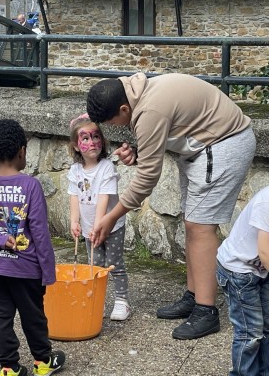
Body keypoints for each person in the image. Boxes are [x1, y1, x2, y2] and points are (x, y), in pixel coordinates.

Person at [86, 72, 256, 340]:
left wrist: (111, 217)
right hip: (204, 147)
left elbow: (148, 178)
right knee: (193, 222)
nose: (114, 128)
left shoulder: (150, 109)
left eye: (112, 122)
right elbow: (161, 137)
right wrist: (139, 153)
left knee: (200, 227)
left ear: (123, 108)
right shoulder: (136, 93)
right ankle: (194, 295)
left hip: (223, 144)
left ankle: (206, 310)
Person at [0, 119, 65, 376]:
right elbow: (40, 234)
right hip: (26, 269)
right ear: (22, 151)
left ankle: (8, 367)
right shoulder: (31, 186)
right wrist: (48, 272)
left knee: (0, 319)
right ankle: (43, 362)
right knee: (34, 317)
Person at [67, 113, 130, 321]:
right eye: (85, 138)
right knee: (95, 264)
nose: (92, 142)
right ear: (76, 146)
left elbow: (104, 199)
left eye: (96, 137)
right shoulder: (75, 171)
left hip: (110, 226)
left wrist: (98, 226)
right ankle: (99, 299)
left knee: (114, 262)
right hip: (88, 227)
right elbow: (74, 197)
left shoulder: (106, 167)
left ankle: (121, 300)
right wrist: (74, 221)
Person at [216, 186, 269, 376]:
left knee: (266, 327)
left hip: (261, 270)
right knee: (250, 333)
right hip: (238, 270)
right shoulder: (266, 201)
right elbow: (264, 252)